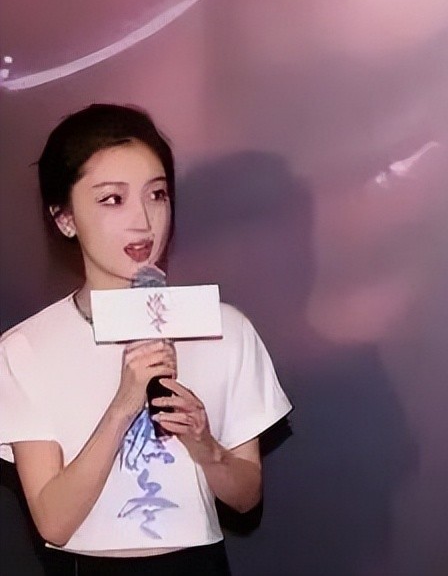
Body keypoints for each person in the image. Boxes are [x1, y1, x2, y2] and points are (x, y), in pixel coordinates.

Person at [0, 104, 292, 575]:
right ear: (65, 217)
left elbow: (245, 497)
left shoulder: (224, 329)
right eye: (112, 199)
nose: (142, 220)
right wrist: (123, 405)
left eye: (156, 194)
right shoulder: (25, 349)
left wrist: (204, 444)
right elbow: (54, 522)